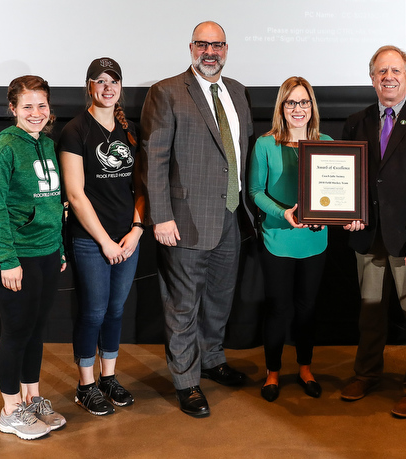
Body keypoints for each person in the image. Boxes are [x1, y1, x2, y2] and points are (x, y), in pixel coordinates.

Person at [140, 21, 254, 418]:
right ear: (191, 47)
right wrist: (161, 217)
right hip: (184, 220)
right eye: (203, 44)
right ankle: (187, 382)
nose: (210, 52)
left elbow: (238, 154)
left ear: (227, 48)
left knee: (219, 299)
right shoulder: (167, 92)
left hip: (230, 217)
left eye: (217, 45)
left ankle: (212, 359)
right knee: (183, 306)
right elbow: (153, 159)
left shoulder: (237, 92)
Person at [340, 45, 406, 418]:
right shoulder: (356, 121)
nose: (389, 77)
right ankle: (367, 374)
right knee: (369, 313)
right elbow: (346, 178)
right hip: (366, 235)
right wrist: (344, 212)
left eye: (395, 71)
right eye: (381, 71)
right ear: (372, 79)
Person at [0, 75, 67, 440]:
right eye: (27, 106)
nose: (36, 113)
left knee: (35, 331)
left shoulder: (46, 144)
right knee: (16, 332)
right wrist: (7, 259)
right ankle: (11, 409)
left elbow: (53, 203)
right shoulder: (2, 147)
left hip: (47, 253)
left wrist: (59, 248)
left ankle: (32, 399)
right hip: (17, 257)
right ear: (13, 108)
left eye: (42, 105)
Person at [59, 58, 145, 416]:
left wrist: (137, 230)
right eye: (100, 81)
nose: (108, 87)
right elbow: (76, 195)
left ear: (121, 87)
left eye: (114, 81)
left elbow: (142, 186)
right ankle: (86, 385)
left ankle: (108, 378)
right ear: (89, 86)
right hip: (90, 240)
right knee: (93, 311)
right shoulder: (75, 130)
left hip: (127, 238)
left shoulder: (130, 132)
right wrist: (105, 242)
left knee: (115, 310)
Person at [248, 77, 331, 402]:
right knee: (279, 309)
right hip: (278, 239)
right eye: (292, 103)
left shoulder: (326, 141)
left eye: (304, 102)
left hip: (315, 241)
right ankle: (273, 372)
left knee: (307, 309)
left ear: (312, 107)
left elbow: (336, 192)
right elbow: (255, 191)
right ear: (282, 107)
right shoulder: (266, 144)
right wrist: (284, 213)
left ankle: (305, 368)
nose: (299, 109)